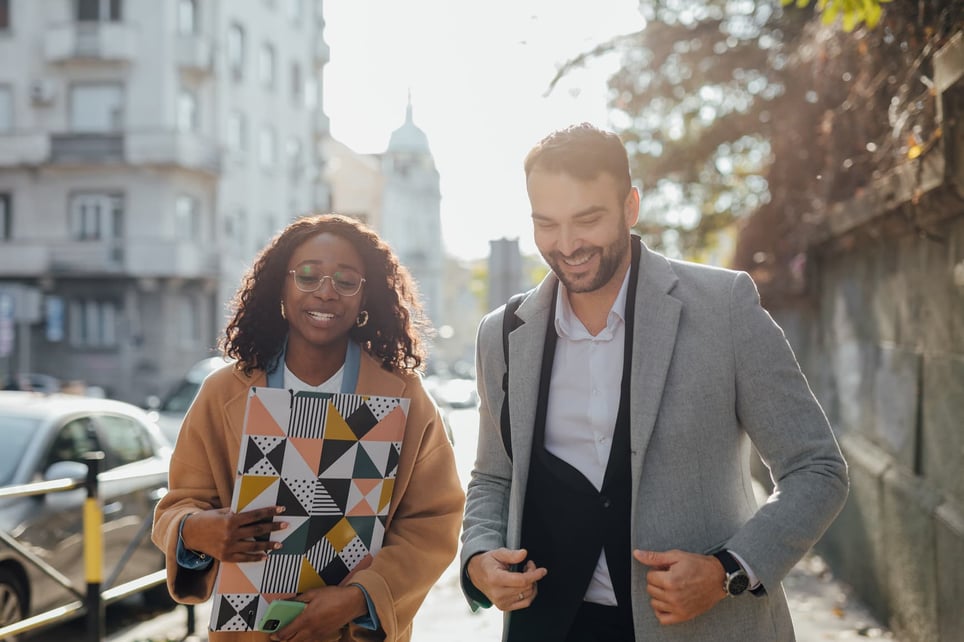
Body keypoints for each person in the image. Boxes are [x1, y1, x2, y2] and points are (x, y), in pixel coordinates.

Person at [460, 123, 849, 641]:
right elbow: (493, 476)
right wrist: (479, 556)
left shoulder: (724, 306)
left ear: (630, 207)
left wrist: (727, 570)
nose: (567, 244)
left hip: (702, 627)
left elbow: (816, 468)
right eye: (546, 224)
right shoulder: (502, 334)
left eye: (588, 219)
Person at [153, 213, 465, 642]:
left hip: (351, 632)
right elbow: (178, 505)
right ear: (281, 286)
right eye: (308, 275)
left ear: (365, 295)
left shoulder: (406, 397)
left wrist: (359, 598)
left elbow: (433, 523)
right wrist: (195, 531)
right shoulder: (222, 392)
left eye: (346, 280)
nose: (325, 292)